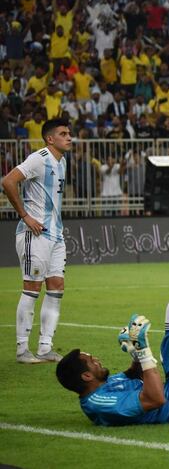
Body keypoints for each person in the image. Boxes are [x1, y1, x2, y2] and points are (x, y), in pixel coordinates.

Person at [1, 118, 72, 364]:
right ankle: (22, 350)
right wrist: (25, 215)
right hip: (36, 233)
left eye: (69, 133)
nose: (69, 137)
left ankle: (45, 347)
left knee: (56, 288)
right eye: (63, 133)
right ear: (50, 138)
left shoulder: (61, 162)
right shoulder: (39, 158)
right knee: (32, 288)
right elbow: (8, 181)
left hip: (55, 234)